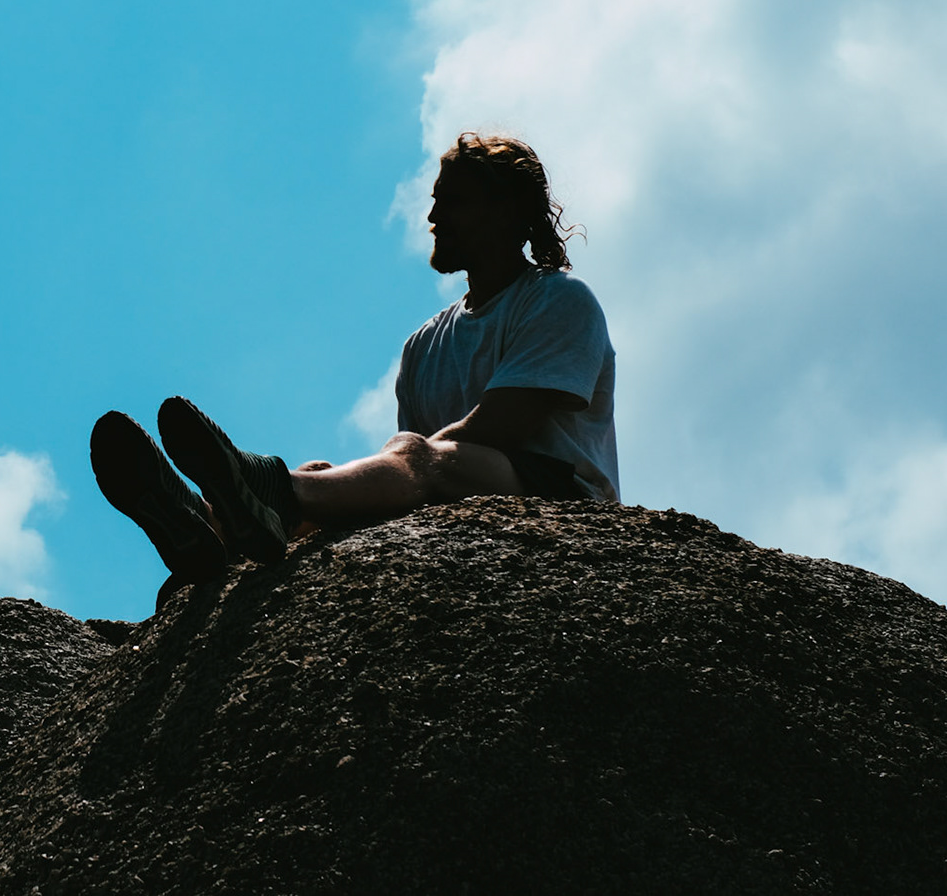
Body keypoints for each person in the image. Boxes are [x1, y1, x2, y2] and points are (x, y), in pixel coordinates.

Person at [91, 133, 617, 607]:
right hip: (464, 488)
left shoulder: (558, 300)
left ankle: (265, 491)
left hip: (559, 501)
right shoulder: (423, 346)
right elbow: (415, 478)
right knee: (327, 476)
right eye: (434, 204)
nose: (434, 219)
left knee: (397, 461)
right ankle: (209, 530)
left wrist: (393, 467)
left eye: (453, 203)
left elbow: (497, 432)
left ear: (507, 212)